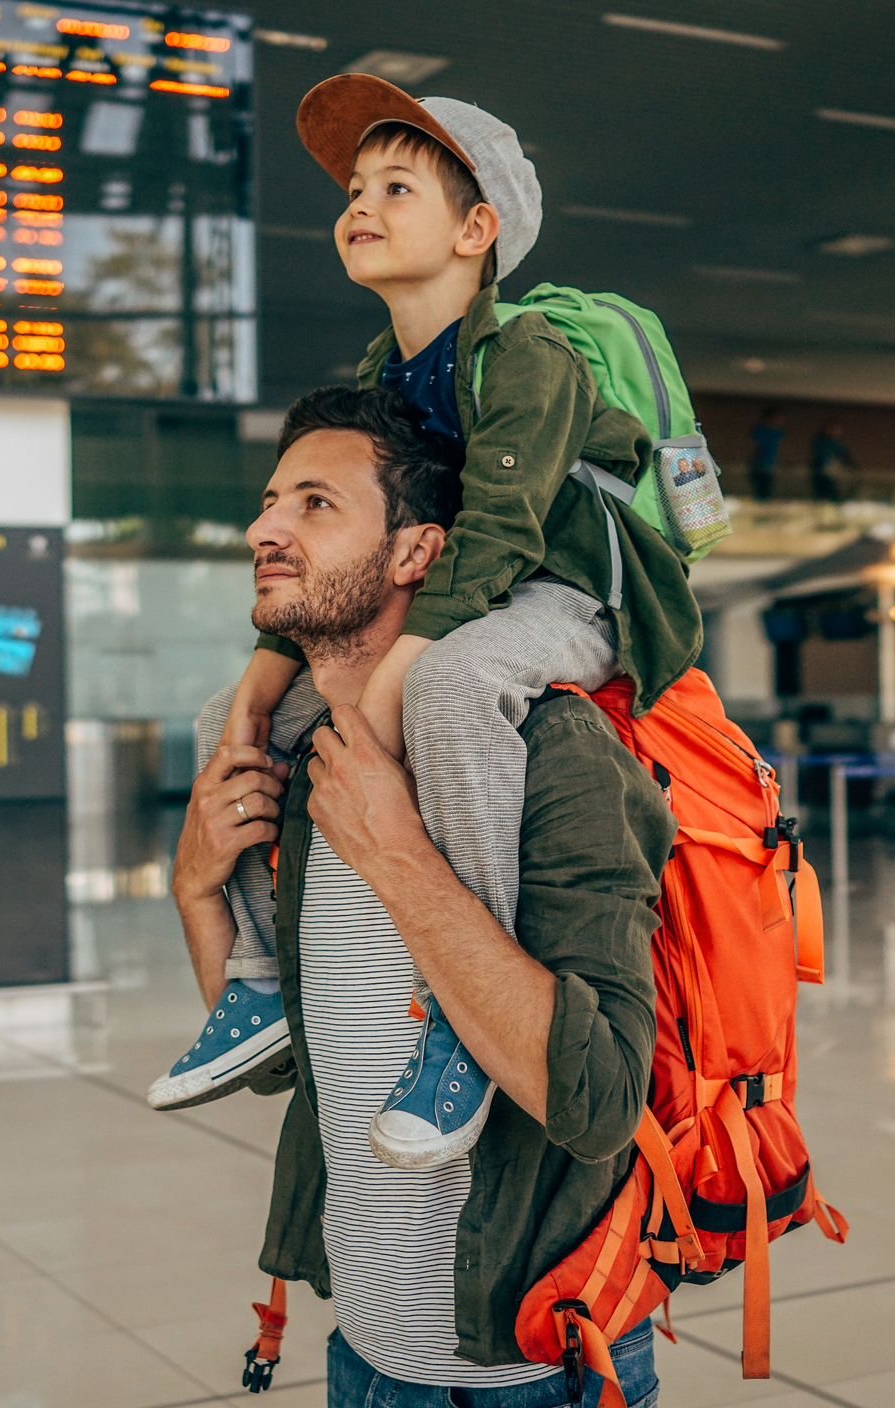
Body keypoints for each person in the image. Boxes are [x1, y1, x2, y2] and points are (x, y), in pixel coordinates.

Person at [147, 77, 701, 1171]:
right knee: (228, 705)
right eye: (355, 188)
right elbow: (380, 545)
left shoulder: (528, 356)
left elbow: (490, 536)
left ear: (476, 229)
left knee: (448, 687)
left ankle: (461, 1006)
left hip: (576, 593)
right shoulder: (380, 375)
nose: (360, 202)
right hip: (473, 599)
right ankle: (258, 984)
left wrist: (390, 676)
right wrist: (259, 694)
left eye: (396, 185)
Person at [171, 387, 673, 1406]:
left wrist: (399, 854)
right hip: (362, 1358)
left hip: (537, 1374)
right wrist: (195, 891)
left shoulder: (550, 753)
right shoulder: (302, 757)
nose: (264, 528)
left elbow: (600, 1098)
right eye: (271, 501)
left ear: (416, 553)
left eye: (316, 504)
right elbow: (293, 1071)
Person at [809, 420, 857, 502]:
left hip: (832, 476)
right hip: (822, 475)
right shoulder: (821, 441)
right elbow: (822, 459)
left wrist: (852, 465)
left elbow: (845, 454)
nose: (838, 432)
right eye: (835, 429)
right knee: (824, 496)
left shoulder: (837, 442)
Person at [748, 405, 784, 501]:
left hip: (771, 466)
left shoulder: (778, 433)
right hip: (759, 466)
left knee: (768, 490)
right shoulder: (759, 431)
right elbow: (752, 447)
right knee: (760, 490)